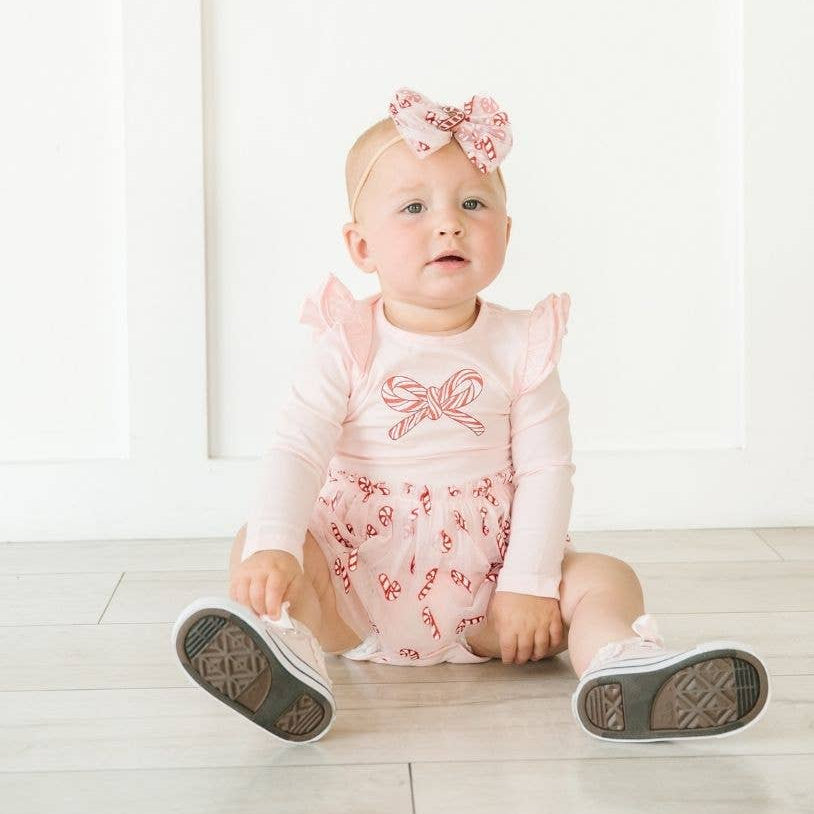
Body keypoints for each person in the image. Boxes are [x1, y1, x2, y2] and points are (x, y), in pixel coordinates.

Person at [172, 87, 770, 745]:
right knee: (256, 541)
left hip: (492, 593)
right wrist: (275, 549)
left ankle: (620, 666)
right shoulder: (347, 341)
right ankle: (288, 650)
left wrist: (528, 584)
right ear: (361, 246)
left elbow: (547, 470)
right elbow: (297, 449)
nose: (449, 223)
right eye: (413, 207)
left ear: (506, 233)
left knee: (606, 578)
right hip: (353, 584)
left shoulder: (523, 344)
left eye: (474, 204)